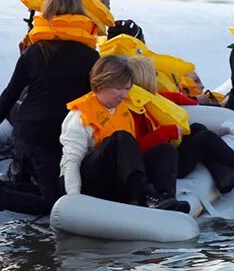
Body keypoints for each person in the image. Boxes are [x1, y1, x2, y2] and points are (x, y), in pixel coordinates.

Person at [0, 0, 101, 214]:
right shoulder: (91, 57)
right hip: (54, 138)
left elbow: (11, 92)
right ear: (80, 14)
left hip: (31, 133)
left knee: (58, 192)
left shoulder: (33, 52)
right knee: (52, 204)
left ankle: (5, 183)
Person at [125, 57, 234, 205]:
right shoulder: (131, 109)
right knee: (203, 138)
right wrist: (167, 132)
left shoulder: (151, 100)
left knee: (198, 129)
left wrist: (188, 99)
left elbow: (176, 99)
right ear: (145, 77)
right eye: (153, 73)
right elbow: (134, 150)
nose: (157, 76)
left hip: (165, 158)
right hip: (156, 165)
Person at [59, 55, 188, 212]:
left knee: (165, 150)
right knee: (121, 138)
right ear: (101, 84)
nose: (124, 95)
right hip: (95, 181)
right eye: (119, 89)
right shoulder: (80, 116)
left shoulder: (123, 111)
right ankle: (141, 194)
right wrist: (74, 198)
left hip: (119, 179)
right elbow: (71, 161)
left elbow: (131, 155)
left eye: (127, 89)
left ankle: (164, 197)